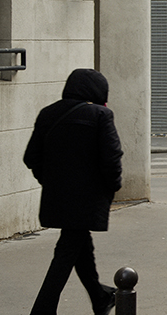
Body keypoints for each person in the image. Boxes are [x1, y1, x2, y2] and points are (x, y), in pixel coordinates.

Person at [24, 68, 124, 315]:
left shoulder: (48, 113)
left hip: (57, 197)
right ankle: (42, 309)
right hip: (88, 199)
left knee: (79, 244)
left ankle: (100, 298)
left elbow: (31, 157)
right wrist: (112, 187)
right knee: (67, 249)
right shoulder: (101, 115)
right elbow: (111, 160)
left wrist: (50, 181)